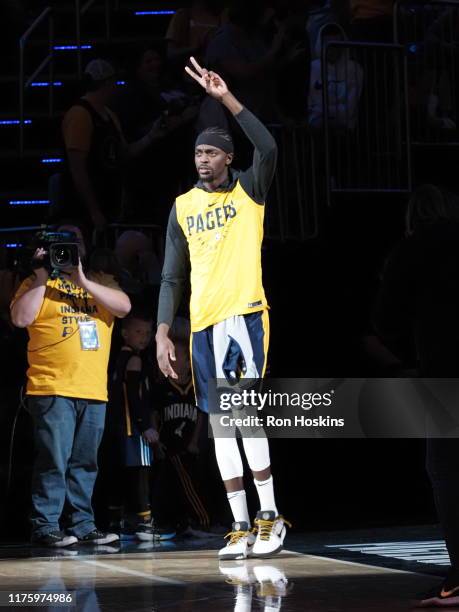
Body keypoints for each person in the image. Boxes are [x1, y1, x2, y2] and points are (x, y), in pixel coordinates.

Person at [156, 57, 290, 560]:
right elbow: (172, 276)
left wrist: (227, 97)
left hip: (244, 317)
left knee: (243, 416)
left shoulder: (251, 190)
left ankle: (270, 518)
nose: (203, 160)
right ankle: (238, 523)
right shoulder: (182, 206)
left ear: (229, 157)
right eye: (199, 153)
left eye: (212, 152)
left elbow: (271, 146)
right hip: (203, 327)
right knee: (217, 424)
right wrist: (163, 331)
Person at [10, 223, 131, 547]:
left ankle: (82, 524)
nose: (67, 248)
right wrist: (40, 276)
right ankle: (46, 525)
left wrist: (82, 280)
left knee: (85, 463)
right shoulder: (35, 283)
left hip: (92, 390)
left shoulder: (100, 282)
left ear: (83, 247)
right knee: (53, 460)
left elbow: (124, 307)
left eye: (73, 241)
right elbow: (20, 319)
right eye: (60, 242)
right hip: (51, 388)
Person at [372, 185, 459, 607]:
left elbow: (385, 322)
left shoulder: (412, 250)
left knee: (446, 470)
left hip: (443, 373)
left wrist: (409, 359)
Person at [61, 59, 170, 231]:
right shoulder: (80, 115)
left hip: (109, 203)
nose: (116, 87)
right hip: (81, 212)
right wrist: (94, 211)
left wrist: (151, 136)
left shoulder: (109, 115)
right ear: (105, 83)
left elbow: (123, 153)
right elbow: (77, 169)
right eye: (114, 82)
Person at [105, 311, 160, 541]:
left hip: (116, 427)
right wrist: (145, 425)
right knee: (140, 474)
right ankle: (145, 523)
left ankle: (114, 522)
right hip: (132, 428)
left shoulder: (118, 357)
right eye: (139, 332)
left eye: (148, 333)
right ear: (125, 333)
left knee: (118, 474)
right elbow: (134, 396)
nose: (144, 337)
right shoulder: (135, 360)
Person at [152, 336, 211, 536]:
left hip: (189, 446)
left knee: (192, 483)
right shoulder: (162, 388)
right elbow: (154, 415)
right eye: (170, 355)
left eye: (177, 356)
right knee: (174, 486)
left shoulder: (195, 389)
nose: (173, 359)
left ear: (188, 361)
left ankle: (196, 521)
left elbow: (202, 414)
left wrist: (195, 441)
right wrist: (156, 444)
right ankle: (195, 522)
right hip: (170, 446)